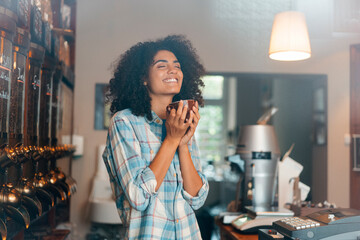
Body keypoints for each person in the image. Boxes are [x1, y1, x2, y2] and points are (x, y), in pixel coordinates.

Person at [103, 35, 209, 239]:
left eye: (177, 66)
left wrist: (183, 144)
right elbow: (138, 197)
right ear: (143, 77)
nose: (173, 70)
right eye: (162, 66)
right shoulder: (124, 122)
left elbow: (197, 198)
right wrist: (171, 140)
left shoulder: (182, 123)